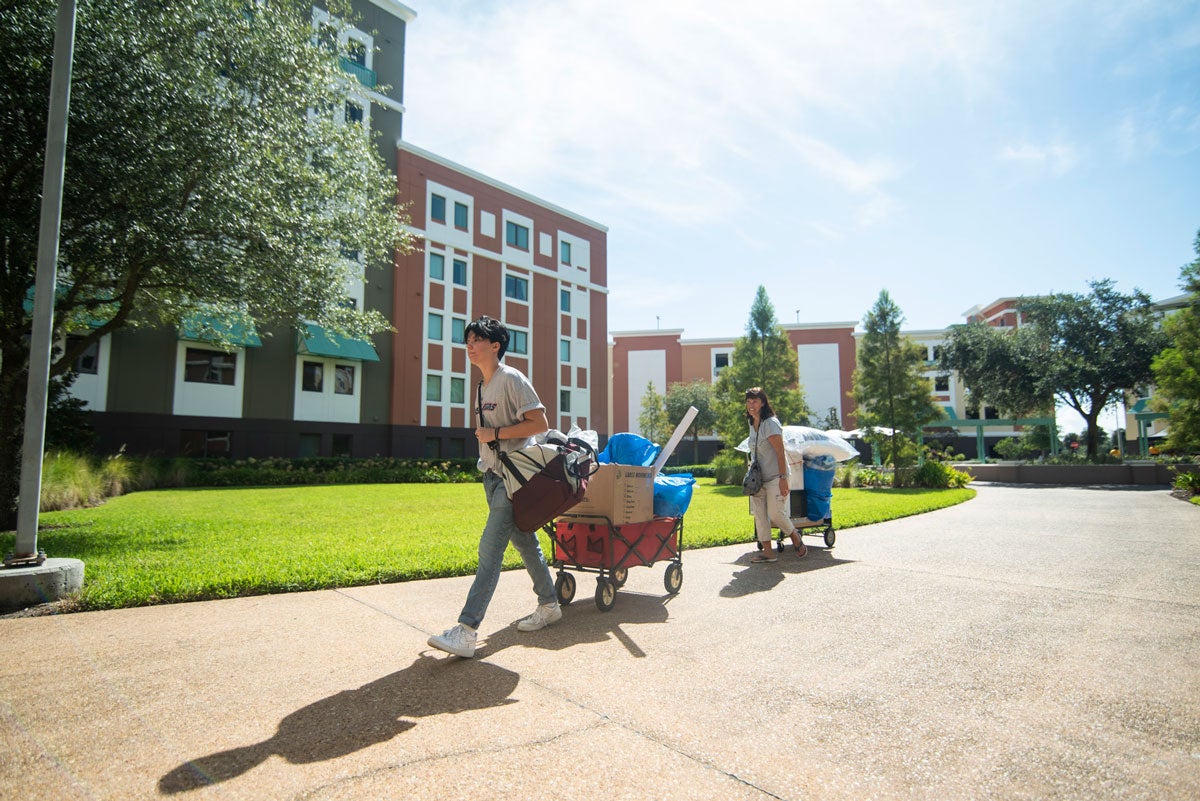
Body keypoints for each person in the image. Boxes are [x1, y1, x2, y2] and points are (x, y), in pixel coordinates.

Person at [427, 316, 563, 658]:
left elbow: (539, 422)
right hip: (492, 476)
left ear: (495, 346)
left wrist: (496, 434)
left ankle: (467, 630)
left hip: (513, 479)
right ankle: (549, 604)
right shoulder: (481, 387)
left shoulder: (511, 379)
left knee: (489, 552)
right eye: (467, 340)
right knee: (525, 542)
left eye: (476, 340)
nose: (469, 346)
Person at [743, 387, 805, 562]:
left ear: (762, 402)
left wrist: (783, 479)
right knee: (759, 514)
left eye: (754, 401)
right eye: (748, 401)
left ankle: (794, 536)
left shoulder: (770, 423)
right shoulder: (751, 423)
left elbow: (780, 452)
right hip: (758, 478)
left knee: (776, 514)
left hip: (776, 477)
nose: (751, 405)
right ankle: (768, 552)